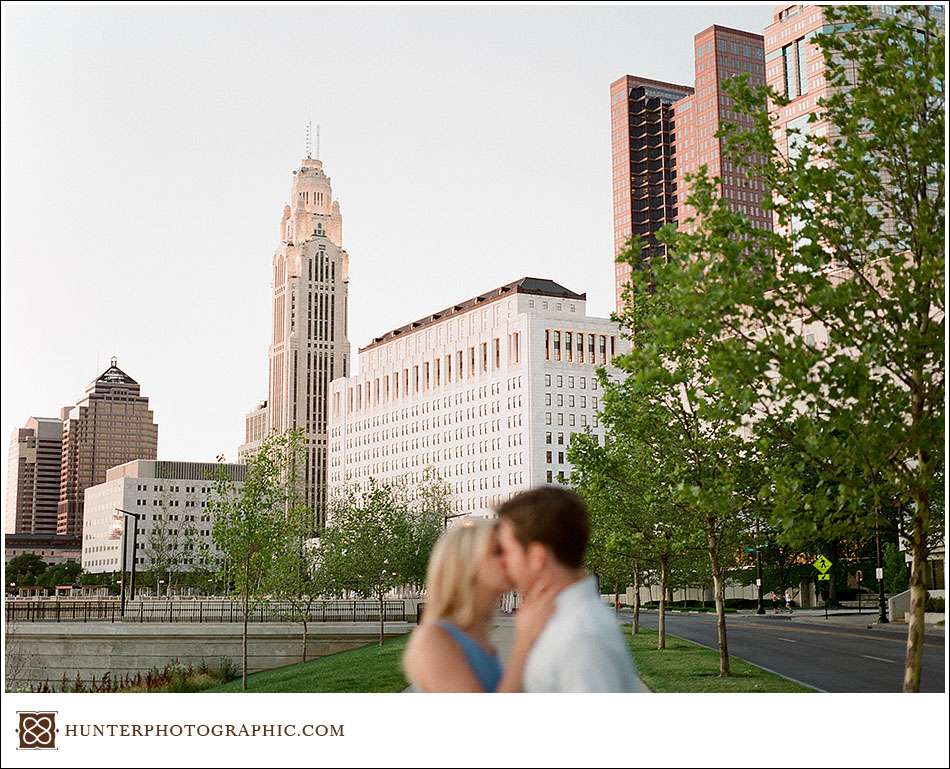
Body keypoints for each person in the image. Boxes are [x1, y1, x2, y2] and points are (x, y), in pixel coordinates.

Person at [495, 487, 639, 692]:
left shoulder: (581, 637)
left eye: (507, 551)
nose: (503, 563)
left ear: (537, 556)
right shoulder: (565, 622)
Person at [403, 520, 554, 692]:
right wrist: (525, 642)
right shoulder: (434, 639)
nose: (509, 559)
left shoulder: (476, 634)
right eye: (498, 551)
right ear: (467, 564)